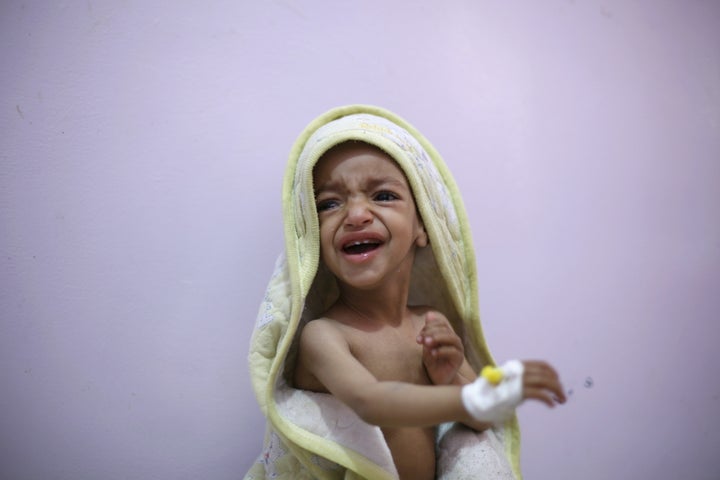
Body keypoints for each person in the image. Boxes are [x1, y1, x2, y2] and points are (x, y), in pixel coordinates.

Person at [246, 105, 565, 480]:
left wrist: (451, 378)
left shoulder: (429, 324)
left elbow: (480, 423)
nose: (356, 215)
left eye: (382, 196)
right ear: (313, 240)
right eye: (329, 204)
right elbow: (372, 404)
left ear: (422, 226)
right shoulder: (325, 336)